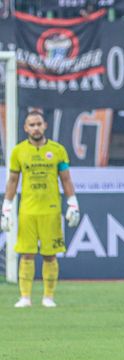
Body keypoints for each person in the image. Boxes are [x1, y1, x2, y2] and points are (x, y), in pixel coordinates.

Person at [1, 110, 80, 308]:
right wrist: (7, 207)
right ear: (25, 128)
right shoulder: (19, 151)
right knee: (27, 253)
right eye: (31, 125)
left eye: (38, 124)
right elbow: (12, 180)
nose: (35, 128)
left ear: (45, 125)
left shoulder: (58, 150)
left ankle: (48, 297)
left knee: (49, 254)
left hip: (51, 210)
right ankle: (25, 297)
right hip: (28, 210)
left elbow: (66, 179)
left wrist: (73, 203)